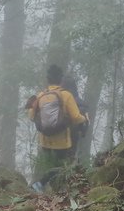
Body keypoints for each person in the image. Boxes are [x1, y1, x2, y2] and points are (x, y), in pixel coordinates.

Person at [27, 64, 86, 192]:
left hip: (45, 140)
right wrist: (84, 118)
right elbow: (76, 117)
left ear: (48, 80)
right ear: (61, 80)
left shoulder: (40, 95)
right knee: (61, 166)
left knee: (50, 165)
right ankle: (42, 186)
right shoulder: (66, 95)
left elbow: (31, 116)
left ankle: (45, 189)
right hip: (62, 141)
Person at [61, 75, 89, 160]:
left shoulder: (56, 98)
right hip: (73, 136)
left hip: (55, 136)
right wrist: (83, 132)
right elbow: (85, 122)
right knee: (69, 159)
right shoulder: (81, 103)